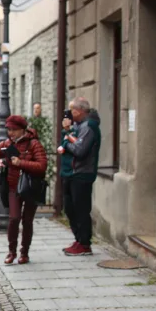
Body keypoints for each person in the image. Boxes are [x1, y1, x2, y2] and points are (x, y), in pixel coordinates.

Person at [0, 116, 48, 265]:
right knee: (14, 219)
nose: (11, 133)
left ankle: (24, 253)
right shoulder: (7, 144)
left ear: (23, 129)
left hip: (30, 188)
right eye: (9, 129)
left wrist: (21, 163)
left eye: (14, 130)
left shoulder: (34, 144)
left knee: (27, 221)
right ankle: (11, 252)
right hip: (13, 187)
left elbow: (42, 166)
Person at [58, 98, 101, 256]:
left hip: (82, 173)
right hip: (70, 172)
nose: (70, 114)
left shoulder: (89, 126)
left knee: (81, 209)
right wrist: (68, 135)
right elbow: (68, 142)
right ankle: (78, 239)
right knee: (70, 208)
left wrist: (67, 141)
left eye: (72, 110)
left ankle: (84, 243)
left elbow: (80, 150)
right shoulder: (77, 125)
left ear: (81, 111)